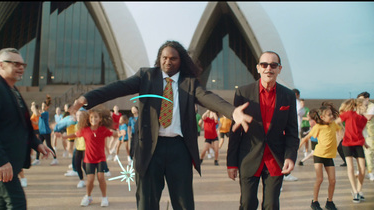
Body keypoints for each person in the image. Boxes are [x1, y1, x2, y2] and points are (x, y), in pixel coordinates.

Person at [69, 40, 250, 210]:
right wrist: (86, 99)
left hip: (179, 149)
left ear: (181, 61)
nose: (168, 62)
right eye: (164, 58)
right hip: (149, 148)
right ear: (159, 59)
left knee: (183, 202)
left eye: (173, 58)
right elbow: (117, 87)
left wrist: (233, 112)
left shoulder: (189, 83)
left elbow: (209, 98)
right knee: (146, 202)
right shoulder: (146, 76)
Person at [0, 47, 53, 209]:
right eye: (15, 63)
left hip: (10, 163)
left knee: (2, 205)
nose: (21, 67)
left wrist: (37, 144)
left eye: (22, 63)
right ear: (1, 65)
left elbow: (23, 125)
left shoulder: (12, 90)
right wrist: (0, 161)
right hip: (1, 164)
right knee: (17, 204)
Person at [227, 51, 299, 210]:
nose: (269, 69)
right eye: (264, 65)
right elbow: (235, 131)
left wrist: (290, 156)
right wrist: (231, 163)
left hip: (275, 159)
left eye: (273, 65)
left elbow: (293, 132)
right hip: (249, 157)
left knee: (271, 205)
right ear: (258, 68)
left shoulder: (288, 95)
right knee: (247, 204)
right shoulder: (243, 93)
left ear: (279, 69)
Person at [299, 103, 342, 210]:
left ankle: (330, 202)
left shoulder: (333, 125)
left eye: (332, 114)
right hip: (318, 155)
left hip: (329, 156)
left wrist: (343, 139)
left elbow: (340, 130)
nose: (331, 116)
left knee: (332, 180)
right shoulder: (318, 127)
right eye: (329, 115)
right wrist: (295, 150)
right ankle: (315, 202)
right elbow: (306, 138)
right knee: (320, 179)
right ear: (322, 117)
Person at [75, 108, 118, 207]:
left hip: (101, 159)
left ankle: (104, 197)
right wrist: (63, 136)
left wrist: (121, 133)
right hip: (89, 159)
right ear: (88, 119)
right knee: (90, 180)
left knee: (101, 178)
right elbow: (75, 135)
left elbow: (114, 134)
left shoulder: (103, 130)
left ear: (100, 119)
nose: (93, 119)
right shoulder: (85, 130)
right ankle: (88, 197)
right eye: (91, 117)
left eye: (96, 117)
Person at [336, 98, 370, 203]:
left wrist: (364, 143)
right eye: (366, 106)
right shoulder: (349, 114)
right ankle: (354, 191)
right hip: (347, 144)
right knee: (350, 168)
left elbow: (358, 131)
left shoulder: (364, 119)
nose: (367, 108)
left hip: (359, 144)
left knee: (362, 170)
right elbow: (336, 122)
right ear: (359, 105)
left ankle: (359, 190)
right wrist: (342, 132)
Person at [357, 92, 374, 181]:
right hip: (360, 132)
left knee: (369, 153)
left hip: (370, 133)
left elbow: (369, 117)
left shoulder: (372, 106)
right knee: (359, 152)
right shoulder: (359, 107)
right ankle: (360, 170)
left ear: (367, 99)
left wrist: (360, 113)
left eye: (361, 99)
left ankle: (371, 173)